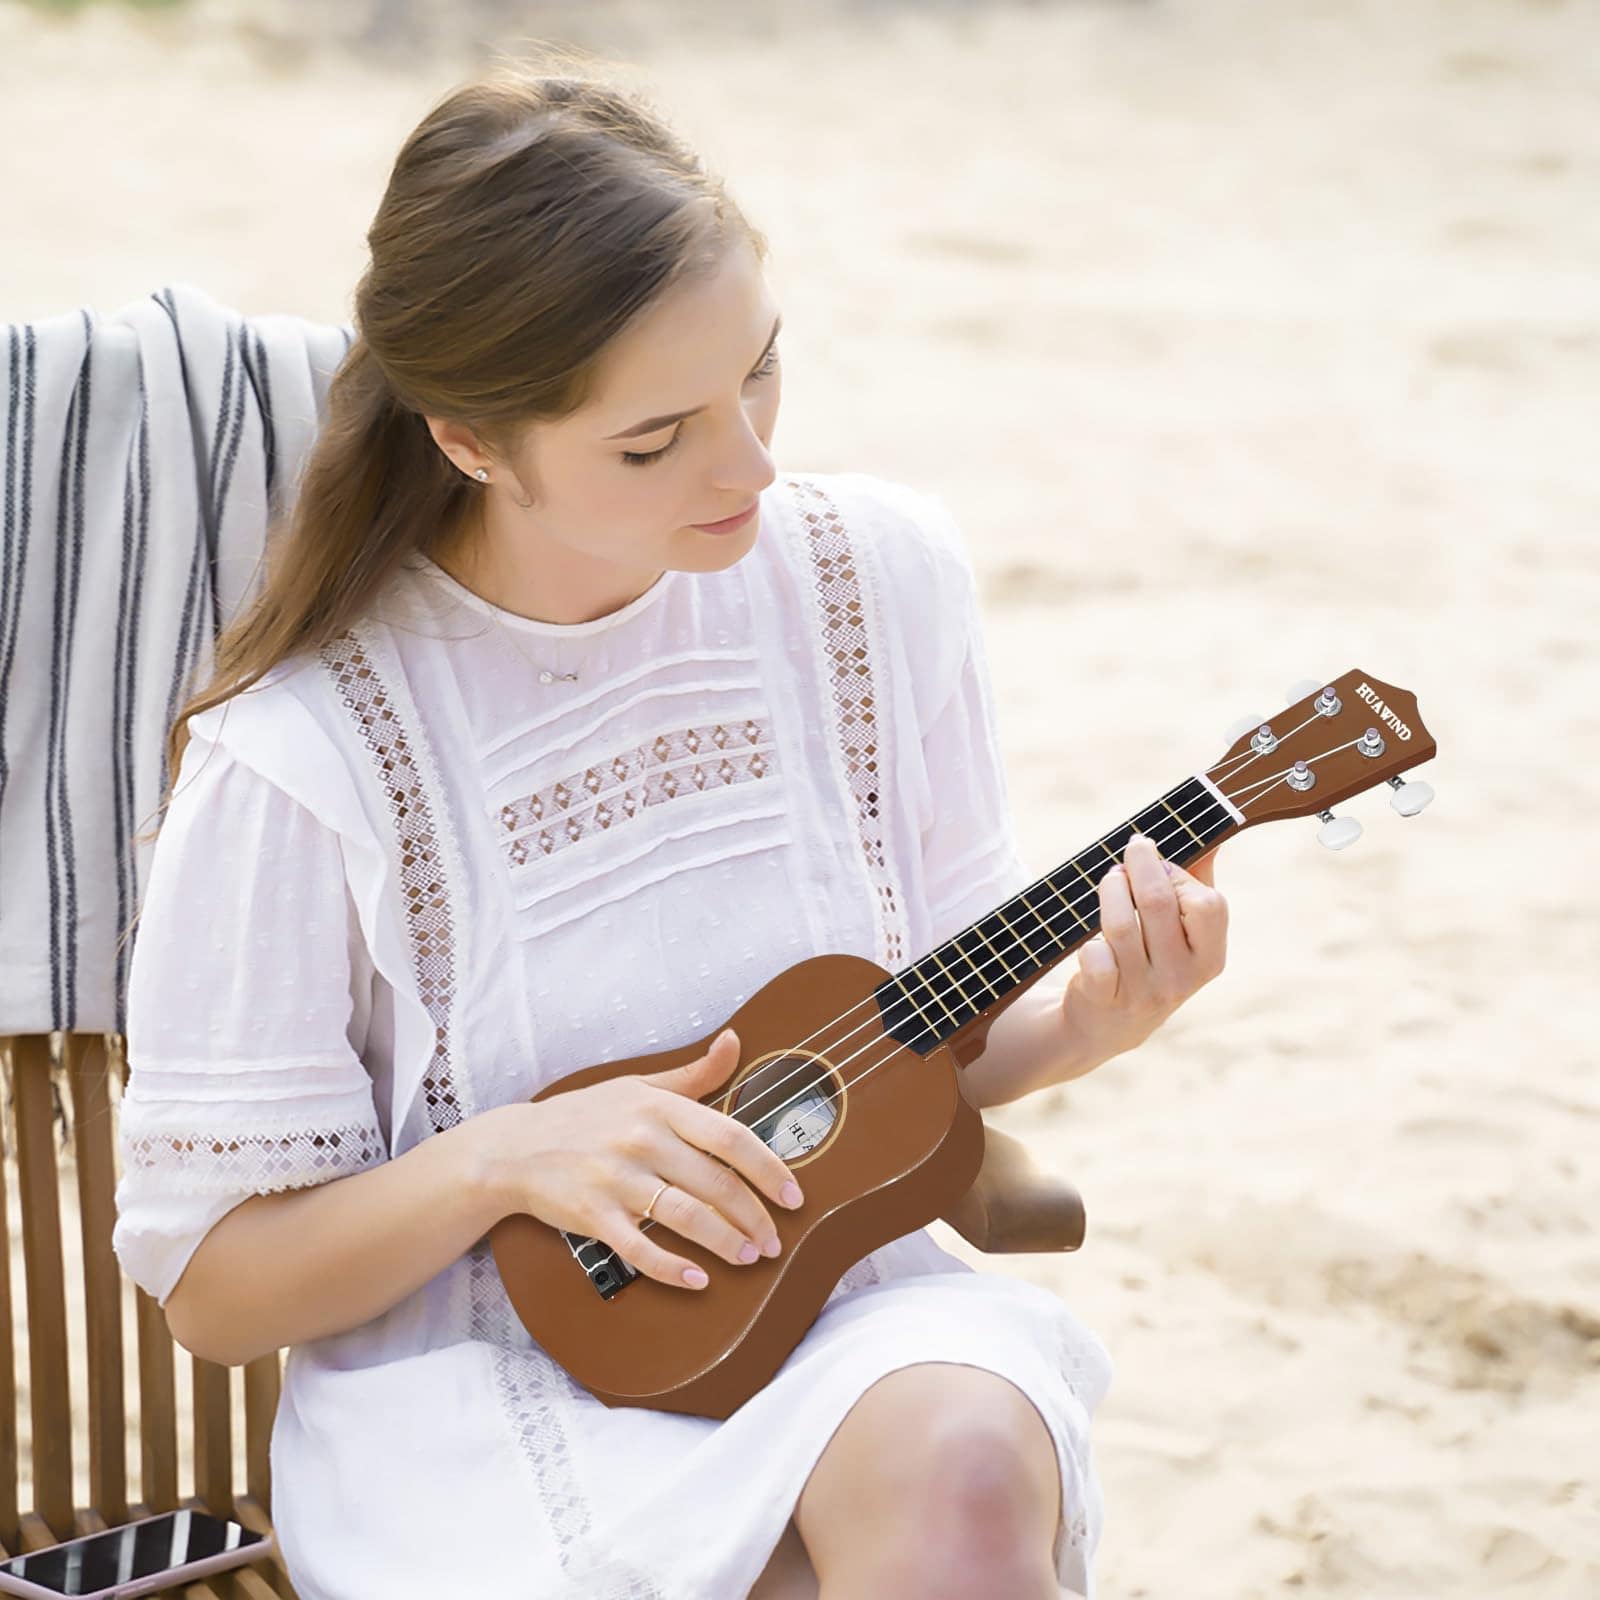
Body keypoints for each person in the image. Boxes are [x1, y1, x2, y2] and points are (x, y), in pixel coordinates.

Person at [106, 60, 1229, 1600]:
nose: (753, 467)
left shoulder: (871, 586)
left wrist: (1089, 1023)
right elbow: (222, 1296)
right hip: (478, 1401)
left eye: (761, 373)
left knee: (966, 1461)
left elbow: (906, 1066)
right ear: (471, 441)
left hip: (837, 1323)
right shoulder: (306, 759)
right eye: (658, 440)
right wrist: (503, 1163)